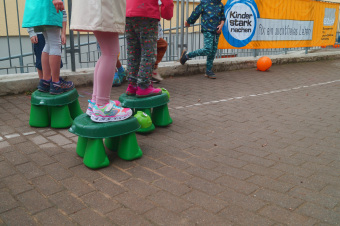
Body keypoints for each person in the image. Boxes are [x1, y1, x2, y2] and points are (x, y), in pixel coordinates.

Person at [71, 0, 132, 122]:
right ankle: (102, 106)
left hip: (96, 6)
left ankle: (96, 101)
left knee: (107, 52)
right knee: (111, 53)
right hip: (103, 6)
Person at [22, 0, 74, 94]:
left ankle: (45, 81)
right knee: (55, 44)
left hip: (39, 9)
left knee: (48, 43)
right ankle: (55, 83)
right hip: (48, 7)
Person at [125, 0, 173, 97]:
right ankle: (143, 86)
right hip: (147, 13)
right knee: (148, 52)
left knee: (133, 52)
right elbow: (167, 2)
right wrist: (167, 14)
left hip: (128, 13)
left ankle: (132, 85)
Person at [179, 0, 225, 79]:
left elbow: (223, 17)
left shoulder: (220, 4)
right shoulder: (205, 3)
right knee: (207, 49)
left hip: (216, 31)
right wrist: (189, 22)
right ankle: (187, 56)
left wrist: (221, 25)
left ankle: (208, 71)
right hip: (207, 29)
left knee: (213, 51)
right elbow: (196, 13)